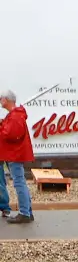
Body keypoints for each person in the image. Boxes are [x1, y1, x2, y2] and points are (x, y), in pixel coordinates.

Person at [0, 90, 35, 223]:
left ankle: (24, 213)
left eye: (1, 98)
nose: (0, 101)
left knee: (19, 183)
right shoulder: (15, 115)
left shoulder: (15, 116)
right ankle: (27, 212)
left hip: (14, 154)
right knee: (21, 182)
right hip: (14, 154)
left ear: (6, 100)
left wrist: (2, 128)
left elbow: (12, 134)